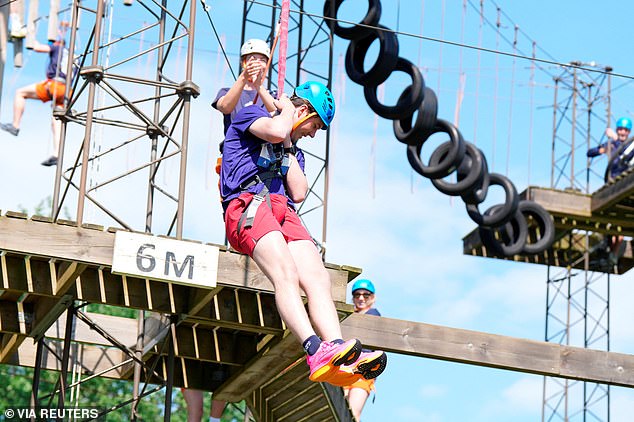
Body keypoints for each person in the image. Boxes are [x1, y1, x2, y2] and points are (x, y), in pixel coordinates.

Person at [220, 80, 387, 387]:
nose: (313, 133)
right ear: (302, 111)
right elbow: (275, 131)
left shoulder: (293, 150)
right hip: (249, 203)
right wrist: (284, 112)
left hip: (282, 209)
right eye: (314, 125)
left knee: (317, 278)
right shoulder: (251, 114)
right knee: (284, 272)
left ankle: (336, 347)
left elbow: (298, 192)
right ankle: (313, 348)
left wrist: (287, 147)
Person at [180, 38, 278, 422]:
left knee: (263, 222)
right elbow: (223, 106)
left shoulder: (268, 96)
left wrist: (264, 86)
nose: (254, 62)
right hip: (238, 170)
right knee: (242, 220)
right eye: (250, 58)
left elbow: (278, 120)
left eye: (259, 58)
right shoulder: (232, 92)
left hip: (261, 172)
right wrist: (244, 79)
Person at [0, 34, 74, 167]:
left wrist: (29, 36)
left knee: (20, 93)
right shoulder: (73, 57)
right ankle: (57, 153)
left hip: (54, 85)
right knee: (56, 120)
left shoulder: (57, 47)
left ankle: (15, 126)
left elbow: (38, 47)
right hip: (67, 91)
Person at [587, 116, 633, 266]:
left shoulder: (628, 146)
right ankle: (607, 248)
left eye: (625, 130)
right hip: (611, 181)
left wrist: (616, 139)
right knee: (610, 225)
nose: (622, 132)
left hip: (624, 183)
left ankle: (613, 254)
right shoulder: (611, 145)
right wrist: (603, 148)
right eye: (620, 129)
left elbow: (625, 153)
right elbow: (591, 152)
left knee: (618, 230)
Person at [344, 279, 382, 421]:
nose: (361, 298)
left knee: (353, 412)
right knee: (342, 406)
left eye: (366, 295)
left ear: (373, 297)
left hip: (363, 371)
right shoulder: (349, 316)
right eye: (357, 295)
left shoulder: (373, 314)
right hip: (345, 368)